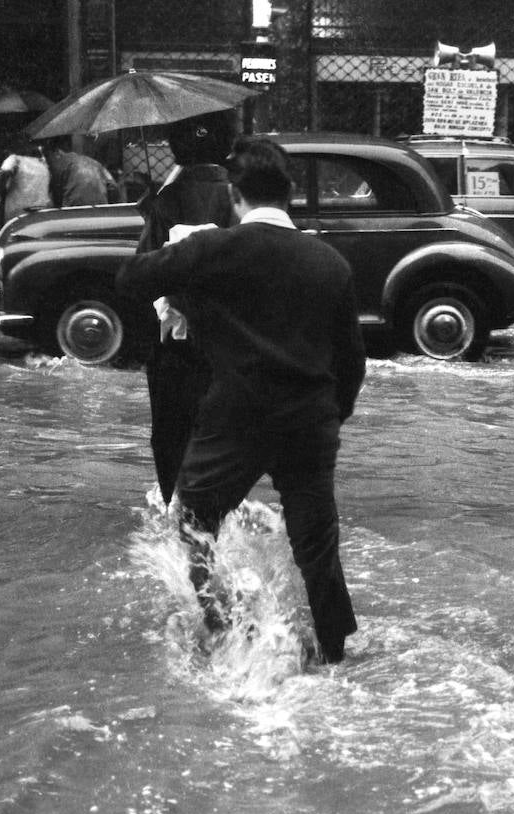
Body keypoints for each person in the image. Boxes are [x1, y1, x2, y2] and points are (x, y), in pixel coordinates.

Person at [115, 136, 367, 663]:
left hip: (238, 417)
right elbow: (352, 363)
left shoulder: (215, 249)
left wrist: (184, 249)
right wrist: (330, 417)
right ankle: (337, 654)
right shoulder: (332, 264)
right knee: (317, 545)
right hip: (311, 420)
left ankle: (226, 630)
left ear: (234, 194)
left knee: (193, 521)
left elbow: (131, 279)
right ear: (291, 192)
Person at [133, 115, 236, 506]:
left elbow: (143, 276)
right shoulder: (238, 197)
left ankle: (174, 515)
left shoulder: (164, 202)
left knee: (172, 435)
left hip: (174, 347)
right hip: (227, 344)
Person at [0, 137, 51, 223]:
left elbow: (5, 170)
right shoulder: (42, 164)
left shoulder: (14, 159)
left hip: (19, 211)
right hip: (42, 209)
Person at [41, 138, 116, 207]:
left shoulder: (59, 164)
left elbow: (55, 196)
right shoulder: (94, 163)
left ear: (57, 152)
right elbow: (112, 186)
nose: (47, 162)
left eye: (47, 156)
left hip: (74, 212)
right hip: (101, 211)